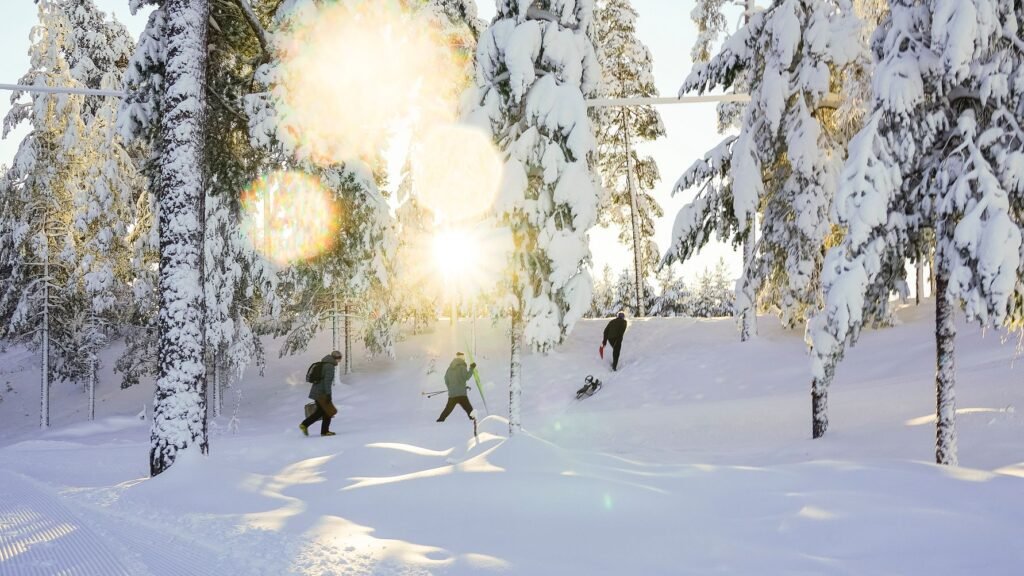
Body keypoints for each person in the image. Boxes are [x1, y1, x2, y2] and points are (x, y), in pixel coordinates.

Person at [300, 350, 341, 437]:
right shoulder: (330, 366)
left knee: (324, 411)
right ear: (336, 358)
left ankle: (324, 431)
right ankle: (305, 425)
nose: (339, 361)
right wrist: (328, 394)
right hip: (322, 393)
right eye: (339, 358)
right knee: (326, 411)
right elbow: (327, 382)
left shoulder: (324, 363)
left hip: (317, 391)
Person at [436, 352, 477, 422]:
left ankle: (440, 421)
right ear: (462, 358)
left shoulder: (449, 368)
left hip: (452, 395)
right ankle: (474, 421)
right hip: (461, 394)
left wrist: (451, 388)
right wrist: (471, 368)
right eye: (463, 357)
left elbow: (446, 379)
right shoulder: (462, 366)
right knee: (469, 409)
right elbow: (466, 377)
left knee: (447, 410)